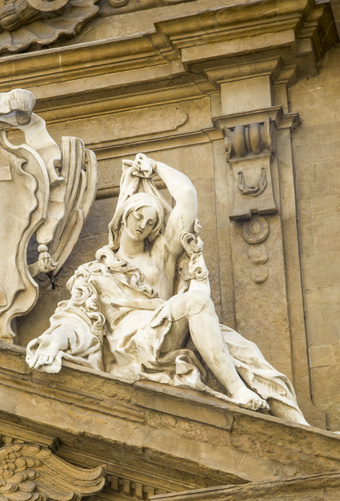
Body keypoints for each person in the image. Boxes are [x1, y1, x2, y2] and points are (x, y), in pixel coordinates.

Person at [27, 154, 307, 425]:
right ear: (124, 215)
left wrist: (156, 167)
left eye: (150, 222)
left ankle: (300, 427)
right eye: (138, 216)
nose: (142, 225)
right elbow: (76, 320)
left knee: (247, 354)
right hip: (131, 345)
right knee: (196, 303)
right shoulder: (95, 273)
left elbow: (186, 198)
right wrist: (54, 343)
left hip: (167, 330)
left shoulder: (161, 256)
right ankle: (236, 389)